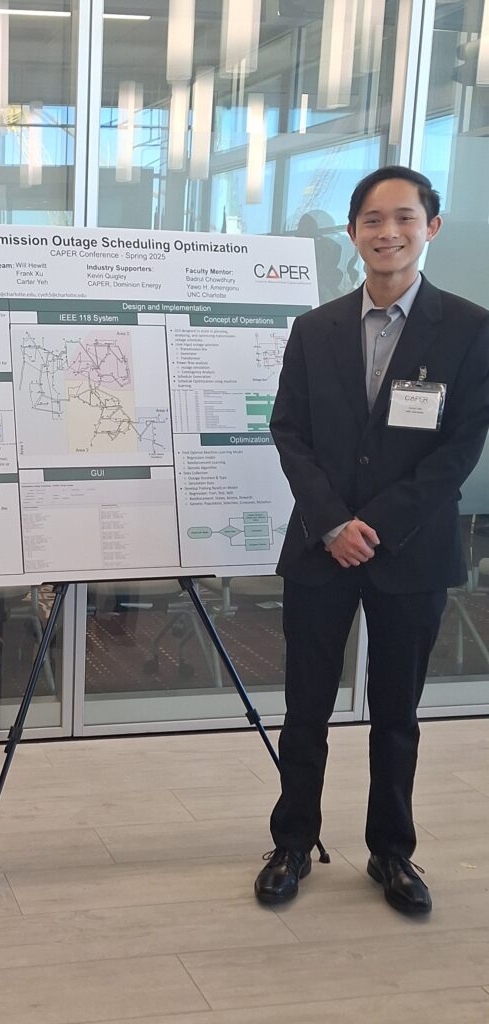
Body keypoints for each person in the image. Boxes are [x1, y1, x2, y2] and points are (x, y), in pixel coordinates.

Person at [254, 166, 489, 915]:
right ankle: (292, 843)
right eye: (372, 220)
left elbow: (459, 447)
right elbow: (288, 431)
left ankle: (392, 852)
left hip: (410, 553)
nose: (388, 233)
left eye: (404, 218)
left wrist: (375, 527)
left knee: (396, 715)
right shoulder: (314, 328)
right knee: (305, 709)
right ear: (353, 233)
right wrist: (332, 522)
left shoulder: (470, 328)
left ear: (431, 227)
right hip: (320, 550)